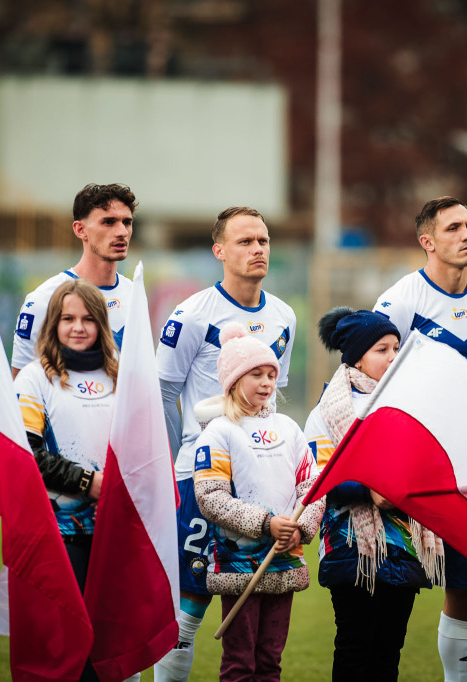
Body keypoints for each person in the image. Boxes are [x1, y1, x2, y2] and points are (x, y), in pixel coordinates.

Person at [153, 206, 296, 681]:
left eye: (263, 240)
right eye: (245, 241)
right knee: (189, 607)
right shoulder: (192, 314)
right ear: (219, 251)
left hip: (260, 488)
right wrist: (181, 463)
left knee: (259, 614)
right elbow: (163, 394)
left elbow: (272, 402)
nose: (258, 249)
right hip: (203, 479)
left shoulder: (284, 317)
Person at [373, 196, 467, 682]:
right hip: (411, 460)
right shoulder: (401, 300)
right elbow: (373, 376)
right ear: (427, 241)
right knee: (395, 586)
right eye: (453, 228)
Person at [305, 307, 442, 681]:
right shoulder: (328, 411)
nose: (393, 357)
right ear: (357, 356)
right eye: (382, 349)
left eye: (396, 348)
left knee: (387, 654)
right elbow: (320, 478)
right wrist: (369, 491)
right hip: (351, 548)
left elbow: (429, 463)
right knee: (354, 648)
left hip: (404, 546)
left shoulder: (411, 405)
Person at [191, 323, 324, 681]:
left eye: (271, 374)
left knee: (269, 661)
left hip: (283, 560)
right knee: (240, 663)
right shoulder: (218, 432)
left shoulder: (289, 428)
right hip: (239, 567)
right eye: (256, 374)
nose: (266, 382)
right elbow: (211, 498)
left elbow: (312, 487)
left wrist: (301, 529)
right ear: (233, 381)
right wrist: (267, 523)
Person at [14, 278, 123, 681]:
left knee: (108, 648)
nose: (78, 327)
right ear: (52, 325)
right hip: (59, 534)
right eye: (67, 319)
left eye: (88, 319)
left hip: (115, 531)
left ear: (101, 324)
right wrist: (87, 483)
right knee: (66, 647)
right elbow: (26, 455)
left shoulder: (121, 376)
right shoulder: (33, 378)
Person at [11, 183, 137, 378]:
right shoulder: (44, 299)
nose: (121, 232)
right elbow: (20, 385)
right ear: (80, 230)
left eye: (127, 222)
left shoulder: (135, 294)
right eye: (109, 222)